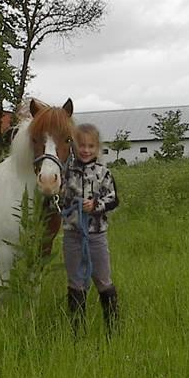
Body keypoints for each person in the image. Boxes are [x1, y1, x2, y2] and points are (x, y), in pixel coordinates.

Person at [62, 123, 120, 337]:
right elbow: (58, 199)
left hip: (97, 236)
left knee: (103, 280)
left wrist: (96, 205)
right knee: (75, 282)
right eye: (82, 145)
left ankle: (113, 329)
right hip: (72, 235)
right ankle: (77, 331)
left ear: (97, 148)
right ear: (75, 146)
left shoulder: (104, 173)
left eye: (91, 146)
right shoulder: (66, 172)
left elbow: (114, 199)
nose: (86, 150)